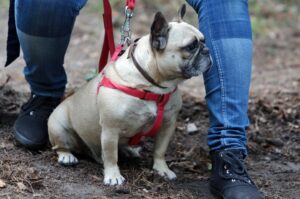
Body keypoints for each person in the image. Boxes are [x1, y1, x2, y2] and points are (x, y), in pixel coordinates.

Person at [6, 0, 262, 198]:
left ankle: (228, 146)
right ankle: (45, 95)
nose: (203, 54)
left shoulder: (171, 90)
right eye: (191, 48)